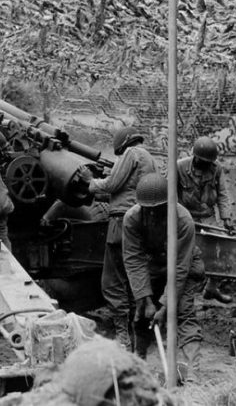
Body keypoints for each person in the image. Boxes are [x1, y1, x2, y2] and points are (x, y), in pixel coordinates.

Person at [122, 173, 202, 383]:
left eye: (159, 210)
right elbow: (133, 260)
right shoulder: (132, 218)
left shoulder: (184, 221)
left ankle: (189, 371)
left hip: (183, 265)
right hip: (152, 265)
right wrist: (146, 300)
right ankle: (137, 364)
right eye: (148, 210)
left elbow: (179, 268)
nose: (153, 214)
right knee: (140, 313)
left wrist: (165, 306)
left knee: (183, 313)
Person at [84, 126, 156, 351]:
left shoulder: (131, 154)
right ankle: (139, 334)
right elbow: (126, 189)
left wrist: (91, 181)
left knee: (113, 279)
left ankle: (123, 335)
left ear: (122, 142)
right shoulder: (148, 157)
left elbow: (113, 185)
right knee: (135, 275)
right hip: (143, 221)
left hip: (121, 222)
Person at [177, 136, 233, 303]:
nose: (207, 165)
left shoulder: (216, 168)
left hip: (207, 215)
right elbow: (169, 193)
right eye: (203, 161)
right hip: (186, 216)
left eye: (209, 162)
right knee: (184, 252)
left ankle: (212, 288)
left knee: (221, 247)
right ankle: (181, 293)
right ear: (195, 157)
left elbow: (222, 194)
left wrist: (226, 219)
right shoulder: (179, 167)